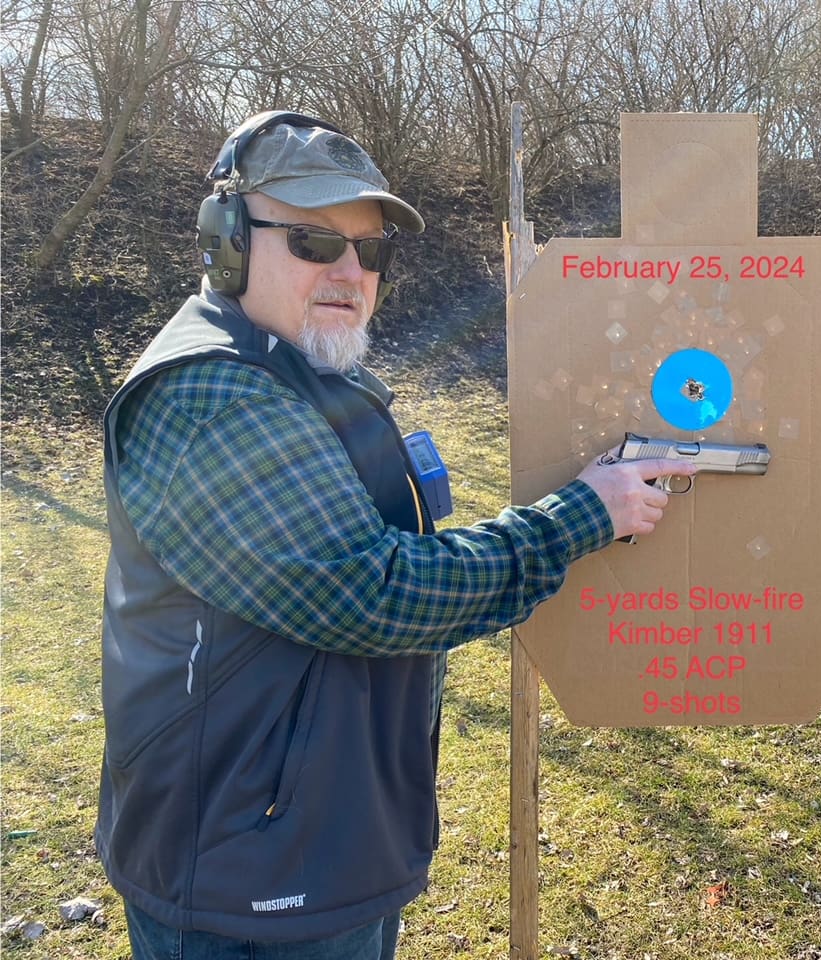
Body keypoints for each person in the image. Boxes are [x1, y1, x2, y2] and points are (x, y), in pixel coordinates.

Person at [96, 111, 695, 960]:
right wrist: (581, 517)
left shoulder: (296, 373)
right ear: (226, 242)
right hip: (247, 876)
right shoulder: (211, 399)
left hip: (312, 838)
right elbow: (371, 592)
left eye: (369, 250)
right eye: (312, 241)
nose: (350, 270)